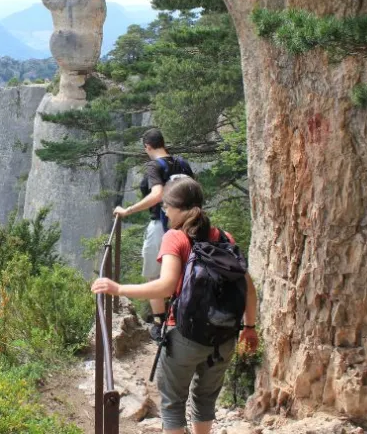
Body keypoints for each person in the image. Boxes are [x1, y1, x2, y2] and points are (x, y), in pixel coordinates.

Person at [94, 177, 258, 434]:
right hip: (224, 337)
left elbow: (166, 286)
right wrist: (249, 327)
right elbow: (249, 288)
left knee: (172, 405)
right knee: (205, 400)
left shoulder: (175, 238)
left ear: (180, 209)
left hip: (185, 337)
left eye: (167, 206)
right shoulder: (225, 237)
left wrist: (118, 288)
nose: (165, 211)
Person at [113, 128, 194, 329]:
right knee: (184, 271)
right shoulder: (182, 164)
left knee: (154, 274)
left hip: (161, 225)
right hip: (188, 226)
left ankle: (160, 323)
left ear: (147, 147)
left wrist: (127, 210)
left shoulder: (153, 166)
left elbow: (157, 194)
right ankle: (182, 317)